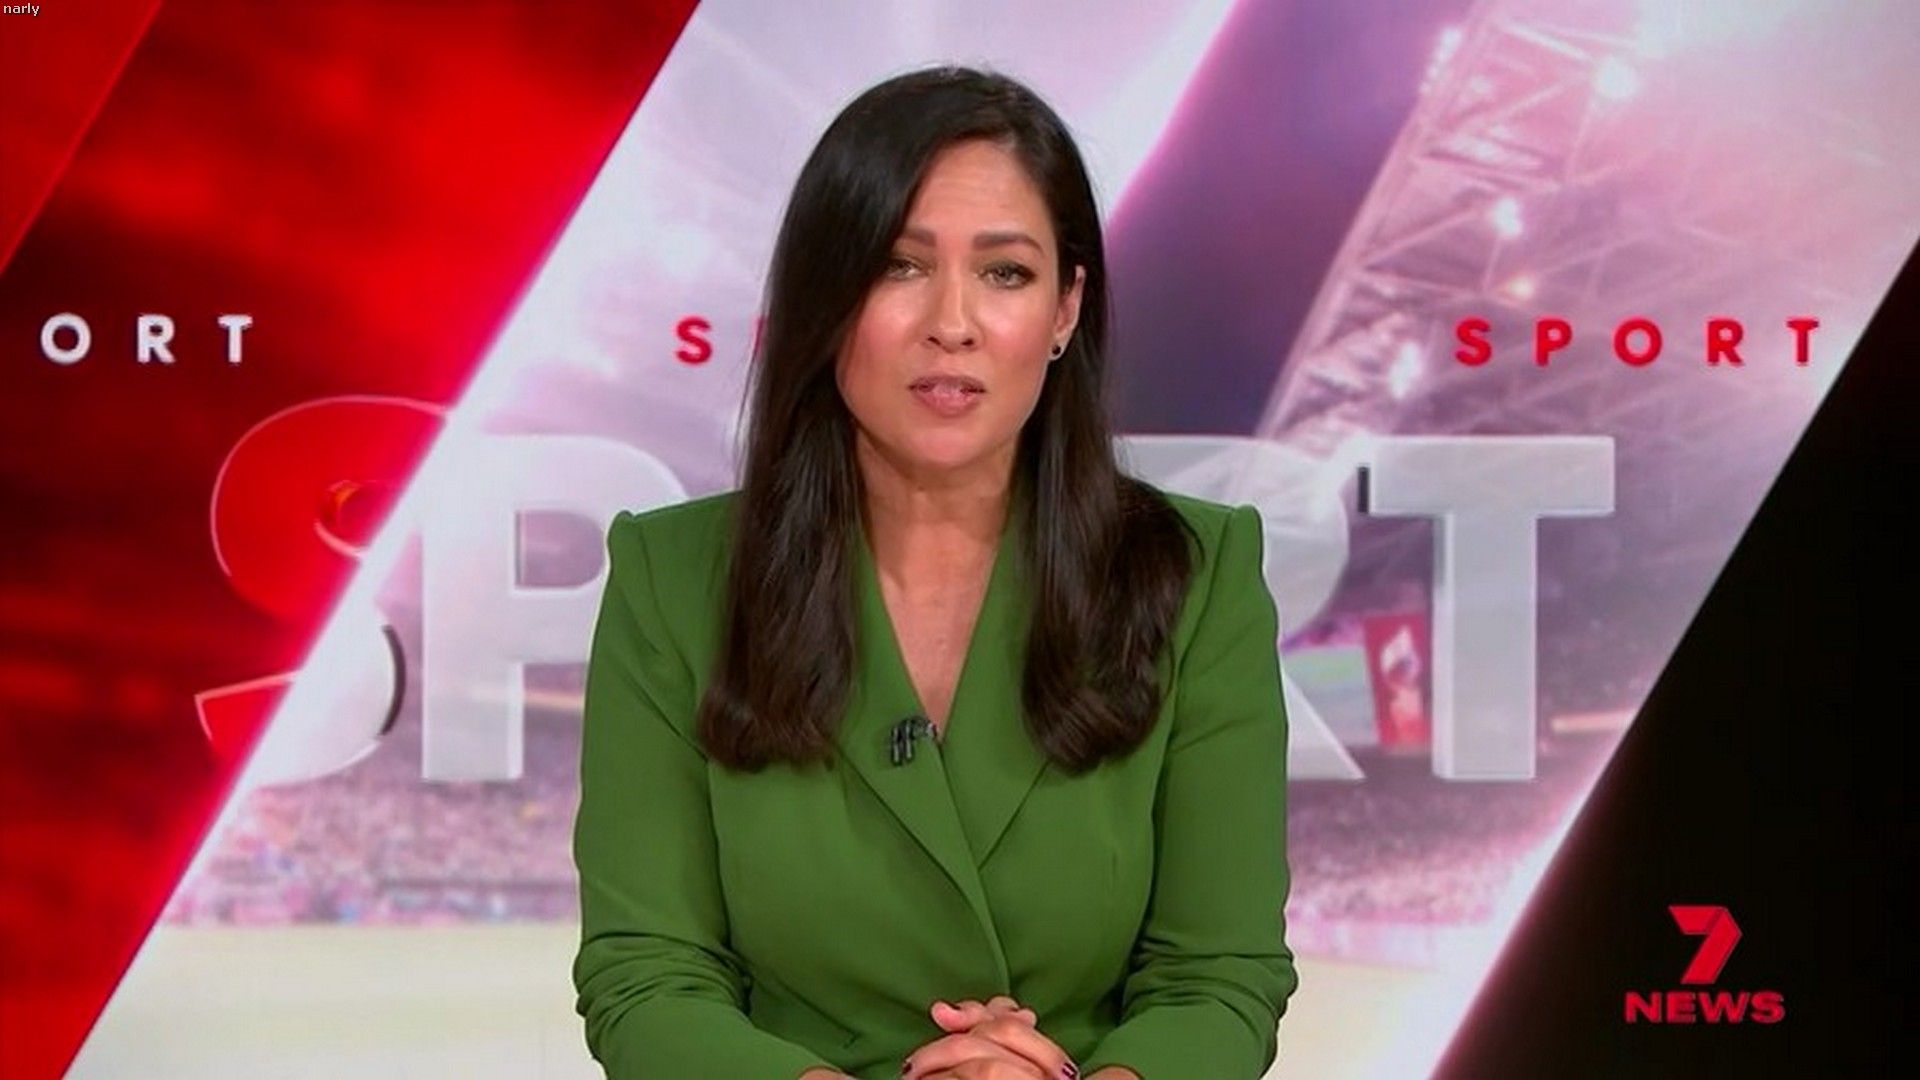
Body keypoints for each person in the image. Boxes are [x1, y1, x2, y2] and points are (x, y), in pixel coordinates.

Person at [572, 64, 1298, 1079]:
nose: (951, 322)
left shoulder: (1197, 573)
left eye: (1005, 273)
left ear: (1065, 309)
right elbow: (648, 977)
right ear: (826, 300)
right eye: (899, 266)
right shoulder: (671, 579)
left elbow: (1218, 978)